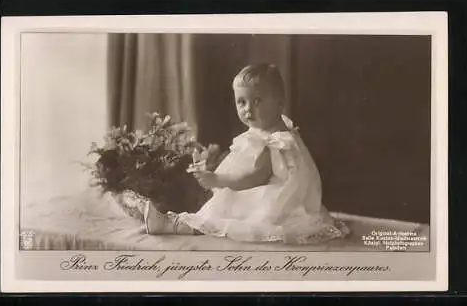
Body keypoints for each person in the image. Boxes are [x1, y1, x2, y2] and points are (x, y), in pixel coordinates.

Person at [144, 63, 349, 244]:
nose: (248, 109)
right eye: (241, 102)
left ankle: (175, 224)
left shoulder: (275, 140)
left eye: (257, 101)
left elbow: (254, 177)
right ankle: (175, 220)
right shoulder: (266, 131)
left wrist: (218, 180)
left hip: (272, 199)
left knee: (225, 209)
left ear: (279, 102)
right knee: (222, 203)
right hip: (263, 189)